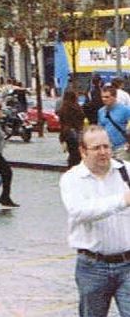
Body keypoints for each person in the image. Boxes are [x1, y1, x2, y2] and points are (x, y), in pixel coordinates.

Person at [60, 125, 130, 317]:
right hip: (92, 267)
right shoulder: (72, 179)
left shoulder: (126, 171)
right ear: (83, 151)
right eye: (96, 148)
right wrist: (122, 200)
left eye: (106, 146)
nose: (103, 152)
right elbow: (80, 211)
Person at [97, 85, 130, 161]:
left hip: (122, 147)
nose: (104, 99)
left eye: (107, 97)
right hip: (107, 148)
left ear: (115, 97)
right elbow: (100, 129)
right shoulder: (101, 111)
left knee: (122, 167)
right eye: (102, 97)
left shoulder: (125, 110)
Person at [60, 88, 87, 169]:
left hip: (67, 133)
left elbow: (62, 123)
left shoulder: (63, 108)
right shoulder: (77, 107)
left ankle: (71, 169)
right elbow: (82, 117)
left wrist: (62, 138)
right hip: (77, 131)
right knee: (77, 154)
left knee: (72, 154)